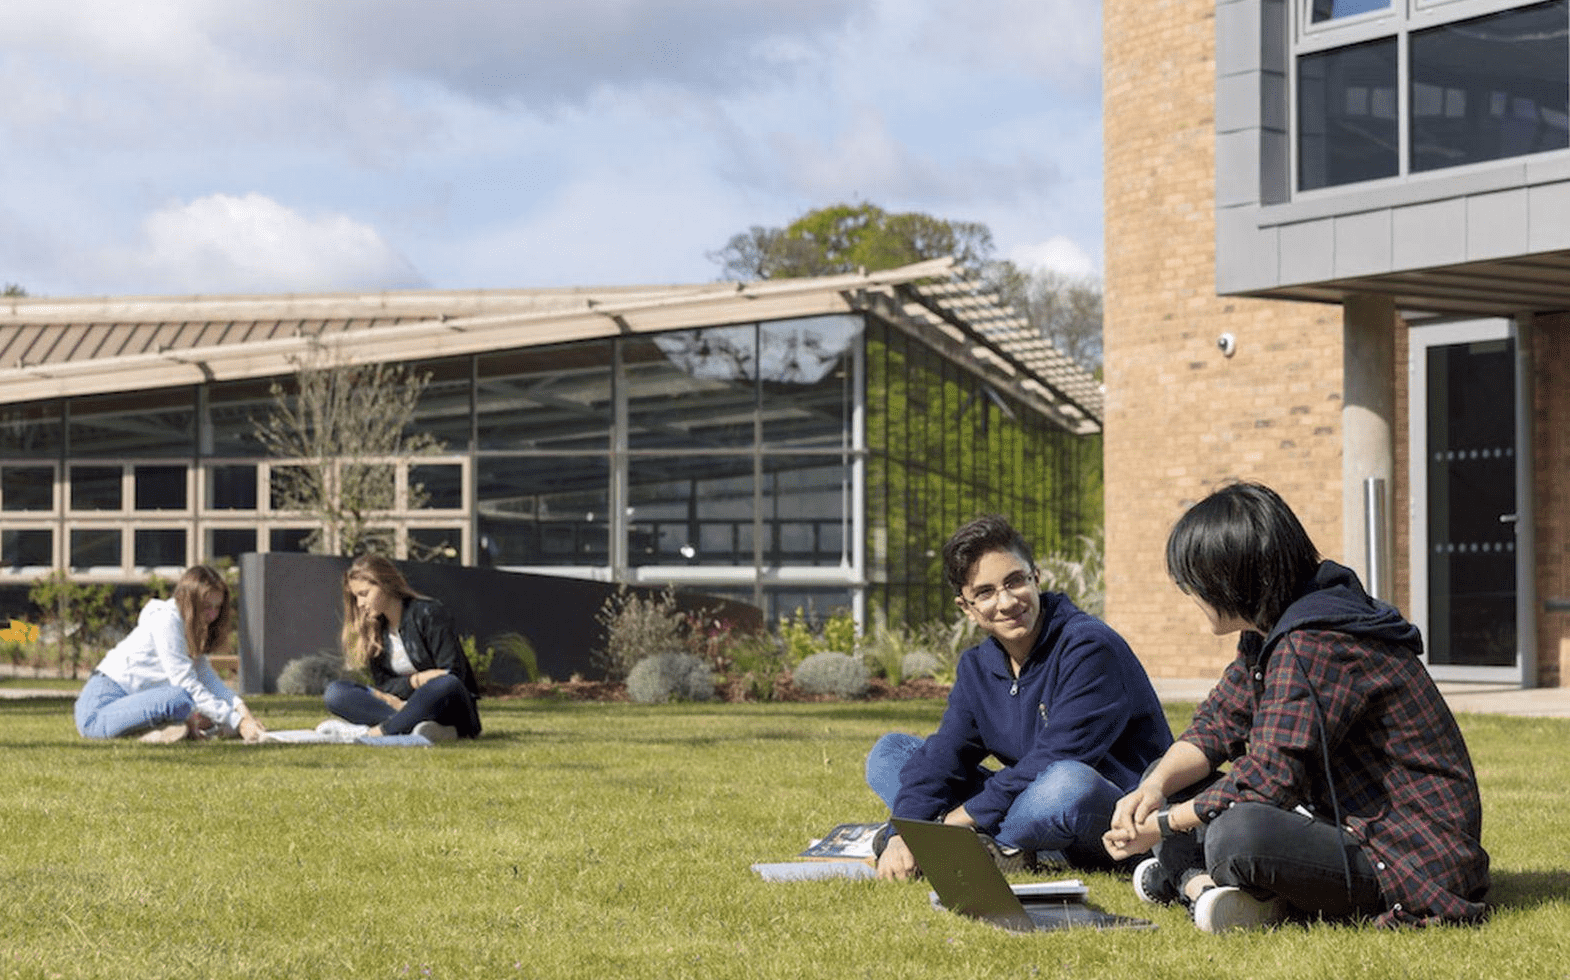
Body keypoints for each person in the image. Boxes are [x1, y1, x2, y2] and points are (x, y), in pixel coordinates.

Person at [1103, 482, 1490, 932]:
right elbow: (1219, 722)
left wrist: (1166, 825)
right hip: (1341, 822)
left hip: (1407, 855)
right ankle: (1202, 887)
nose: (1189, 593)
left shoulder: (1314, 642)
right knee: (1168, 777)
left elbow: (1269, 779)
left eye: (1193, 581)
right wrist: (1155, 789)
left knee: (1237, 835)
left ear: (1229, 578)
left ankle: (1198, 881)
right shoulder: (1271, 628)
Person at [864, 514, 1173, 881]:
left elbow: (1057, 757)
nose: (1007, 601)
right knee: (890, 753)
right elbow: (946, 755)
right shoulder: (978, 667)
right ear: (966, 607)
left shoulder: (1089, 647)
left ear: (1036, 578)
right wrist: (903, 832)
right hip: (1027, 799)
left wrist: (955, 822)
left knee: (1067, 782)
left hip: (1109, 808)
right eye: (985, 592)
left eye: (1015, 581)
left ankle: (987, 844)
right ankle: (997, 846)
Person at [75, 565, 266, 743]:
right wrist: (237, 722)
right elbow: (185, 684)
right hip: (98, 712)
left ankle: (160, 733)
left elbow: (208, 678)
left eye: (217, 607)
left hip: (135, 703)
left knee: (190, 705)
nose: (213, 615)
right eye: (207, 607)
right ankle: (171, 729)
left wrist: (244, 714)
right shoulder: (167, 621)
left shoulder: (190, 627)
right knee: (180, 699)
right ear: (190, 602)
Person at [322, 554, 481, 741]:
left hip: (447, 709)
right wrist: (415, 681)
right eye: (356, 597)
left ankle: (380, 732)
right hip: (400, 707)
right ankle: (420, 729)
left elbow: (452, 674)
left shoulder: (428, 613)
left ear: (384, 584)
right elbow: (385, 685)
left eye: (364, 594)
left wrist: (411, 688)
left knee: (446, 683)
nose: (360, 604)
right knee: (336, 692)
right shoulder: (375, 630)